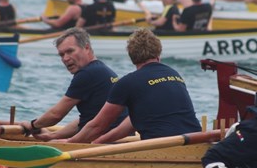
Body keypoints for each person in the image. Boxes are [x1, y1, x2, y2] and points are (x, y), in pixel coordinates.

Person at [67, 28, 201, 144]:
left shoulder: (127, 83)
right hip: (196, 141)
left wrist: (69, 143)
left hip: (161, 148)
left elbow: (97, 126)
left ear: (132, 57)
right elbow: (130, 124)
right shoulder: (174, 74)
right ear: (158, 54)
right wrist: (99, 141)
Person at [20, 28, 126, 141]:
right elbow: (85, 120)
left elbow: (56, 115)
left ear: (86, 48)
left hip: (106, 143)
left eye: (70, 51)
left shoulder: (87, 74)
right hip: (120, 137)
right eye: (61, 55)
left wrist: (32, 125)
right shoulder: (101, 69)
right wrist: (52, 136)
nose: (65, 58)